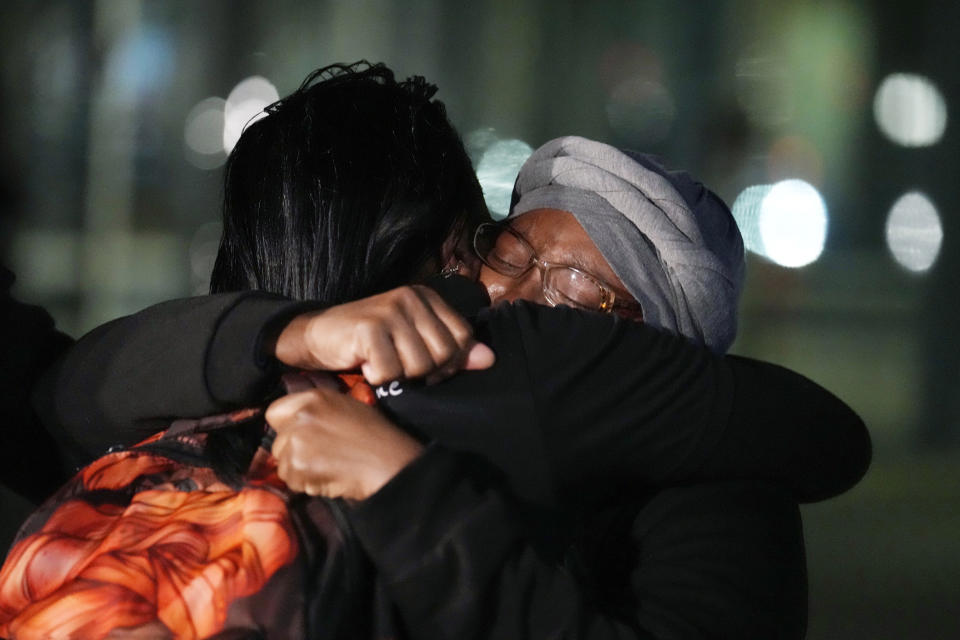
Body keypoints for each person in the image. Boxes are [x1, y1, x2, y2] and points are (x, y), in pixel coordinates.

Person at [26, 62, 868, 638]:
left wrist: (410, 494)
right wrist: (288, 334)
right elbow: (67, 390)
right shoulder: (393, 378)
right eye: (507, 250)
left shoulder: (714, 487)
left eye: (581, 289)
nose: (512, 295)